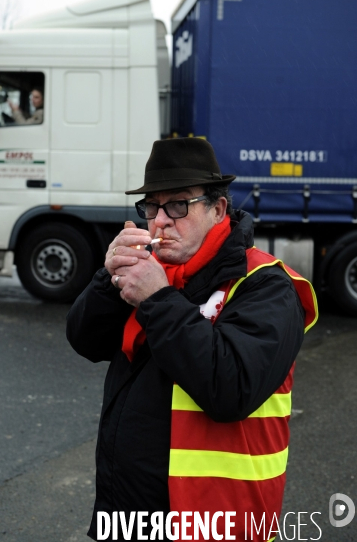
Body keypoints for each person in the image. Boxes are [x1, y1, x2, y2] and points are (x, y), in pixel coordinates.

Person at [66, 138, 318, 541]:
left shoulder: (267, 285)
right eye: (151, 206)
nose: (160, 220)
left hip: (217, 522)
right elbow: (85, 340)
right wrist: (108, 277)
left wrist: (158, 299)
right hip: (127, 518)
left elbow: (230, 389)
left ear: (218, 209)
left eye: (178, 204)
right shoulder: (154, 269)